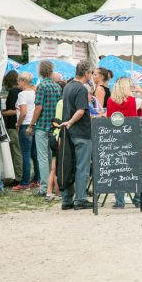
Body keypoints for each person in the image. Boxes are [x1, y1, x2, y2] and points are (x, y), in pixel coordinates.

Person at [107, 77, 142, 208]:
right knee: (138, 168)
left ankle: (119, 201)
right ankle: (138, 198)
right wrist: (141, 91)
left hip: (116, 139)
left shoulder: (110, 101)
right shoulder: (135, 101)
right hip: (134, 138)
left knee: (119, 168)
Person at [60, 60, 93, 210]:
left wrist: (68, 123)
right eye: (91, 73)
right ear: (86, 73)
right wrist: (71, 122)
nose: (91, 75)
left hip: (68, 133)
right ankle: (80, 199)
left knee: (68, 165)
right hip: (81, 132)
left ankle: (67, 199)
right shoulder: (81, 89)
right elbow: (80, 111)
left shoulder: (67, 86)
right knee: (82, 167)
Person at [27, 61, 62, 197]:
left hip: (42, 125)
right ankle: (53, 185)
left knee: (42, 157)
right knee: (52, 158)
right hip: (54, 126)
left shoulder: (41, 86)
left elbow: (38, 107)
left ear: (40, 71)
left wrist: (31, 125)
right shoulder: (57, 87)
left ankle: (44, 187)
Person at [12, 72, 40, 191]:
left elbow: (23, 112)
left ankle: (24, 182)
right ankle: (37, 179)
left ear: (23, 81)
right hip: (34, 124)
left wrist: (18, 124)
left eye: (19, 81)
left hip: (25, 125)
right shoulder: (35, 92)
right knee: (35, 154)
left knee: (25, 155)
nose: (18, 83)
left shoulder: (22, 94)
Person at [2, 70, 23, 184]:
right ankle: (21, 175)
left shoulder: (13, 92)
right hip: (21, 124)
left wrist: (2, 113)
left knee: (16, 151)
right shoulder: (22, 91)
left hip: (13, 125)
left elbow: (15, 111)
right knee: (20, 151)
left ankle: (18, 177)